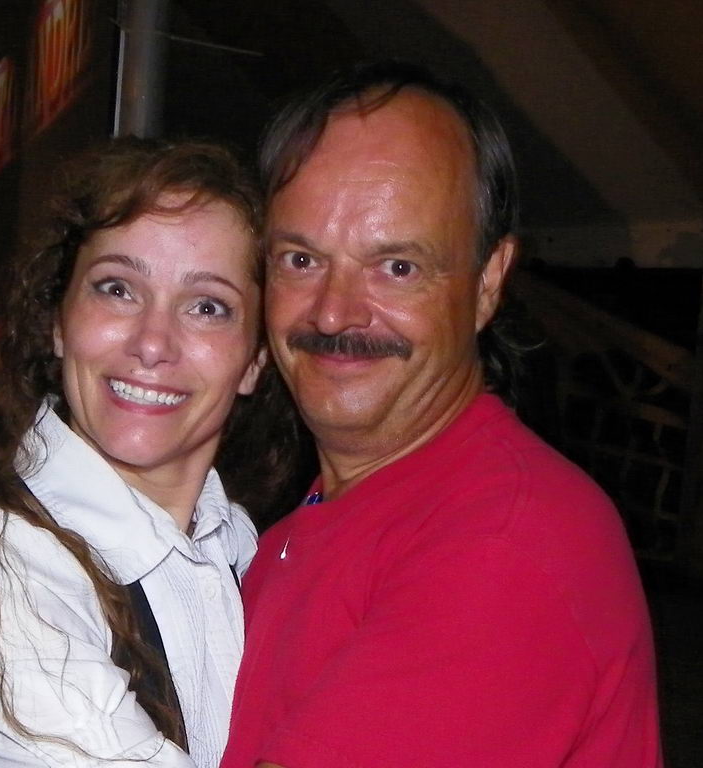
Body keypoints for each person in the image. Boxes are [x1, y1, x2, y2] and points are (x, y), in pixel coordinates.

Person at [221, 61, 663, 767]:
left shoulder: (503, 544)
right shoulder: (322, 509)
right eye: (301, 260)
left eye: (396, 267)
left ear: (488, 282)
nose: (333, 312)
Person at [0, 137, 272, 767]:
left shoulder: (242, 549)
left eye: (208, 306)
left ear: (256, 358)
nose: (153, 343)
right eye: (117, 288)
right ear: (58, 323)